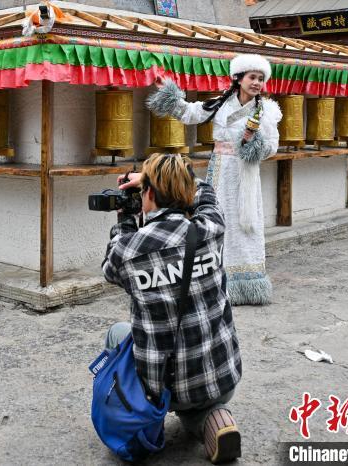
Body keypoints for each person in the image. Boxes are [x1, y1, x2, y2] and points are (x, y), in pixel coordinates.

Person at [102, 153, 242, 464]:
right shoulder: (211, 227)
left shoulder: (129, 249)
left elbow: (111, 266)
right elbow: (206, 193)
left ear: (149, 194)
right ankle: (212, 417)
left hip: (164, 387)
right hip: (221, 378)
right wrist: (161, 178)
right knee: (197, 397)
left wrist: (126, 217)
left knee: (116, 334)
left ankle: (143, 419)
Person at [145, 54, 282, 305]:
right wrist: (168, 91)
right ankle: (215, 281)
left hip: (245, 174)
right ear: (238, 78)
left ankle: (247, 284)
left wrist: (252, 144)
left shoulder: (266, 111)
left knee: (245, 225)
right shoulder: (220, 104)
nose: (257, 83)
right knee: (215, 220)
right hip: (220, 171)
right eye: (252, 77)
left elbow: (272, 146)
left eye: (261, 79)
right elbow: (189, 113)